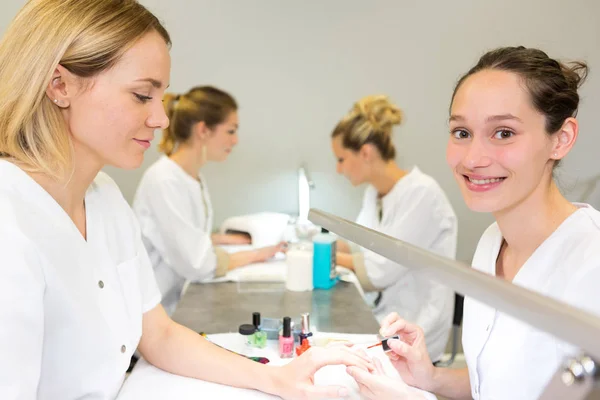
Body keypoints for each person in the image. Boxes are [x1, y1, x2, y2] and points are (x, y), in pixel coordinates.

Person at [0, 1, 373, 398]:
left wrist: (274, 378)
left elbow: (157, 334)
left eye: (160, 98)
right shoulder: (11, 223)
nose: (161, 119)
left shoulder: (104, 199)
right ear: (60, 86)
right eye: (142, 95)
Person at [347, 46, 600, 400]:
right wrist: (430, 377)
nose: (473, 159)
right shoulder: (491, 242)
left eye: (504, 133)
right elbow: (495, 383)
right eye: (462, 133)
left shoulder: (592, 263)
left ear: (561, 139)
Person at [133, 86, 286, 315]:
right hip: (154, 315)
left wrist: (226, 239)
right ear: (203, 130)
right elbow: (198, 264)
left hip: (175, 303)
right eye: (231, 131)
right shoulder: (164, 180)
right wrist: (258, 254)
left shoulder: (193, 177)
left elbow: (188, 235)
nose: (235, 141)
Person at [331, 95, 457, 362]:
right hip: (385, 319)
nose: (338, 169)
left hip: (416, 330)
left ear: (365, 153)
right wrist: (319, 245)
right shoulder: (373, 194)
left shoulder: (422, 194)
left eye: (341, 159)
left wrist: (323, 256)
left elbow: (378, 271)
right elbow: (358, 246)